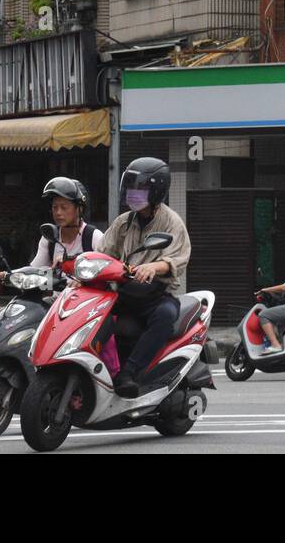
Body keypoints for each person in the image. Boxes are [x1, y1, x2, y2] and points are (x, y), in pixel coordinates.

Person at [98, 157, 192, 398]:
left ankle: (129, 374)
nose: (133, 193)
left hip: (157, 294)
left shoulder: (172, 222)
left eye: (140, 188)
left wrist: (154, 267)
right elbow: (102, 252)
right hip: (126, 290)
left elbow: (177, 258)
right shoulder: (123, 222)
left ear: (157, 190)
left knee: (165, 316)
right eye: (130, 188)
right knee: (94, 313)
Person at [0, 177, 102, 280]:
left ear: (79, 209)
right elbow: (36, 269)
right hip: (56, 297)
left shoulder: (94, 237)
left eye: (64, 207)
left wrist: (83, 279)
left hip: (86, 299)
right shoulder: (50, 238)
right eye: (55, 207)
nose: (58, 213)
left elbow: (105, 267)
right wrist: (10, 274)